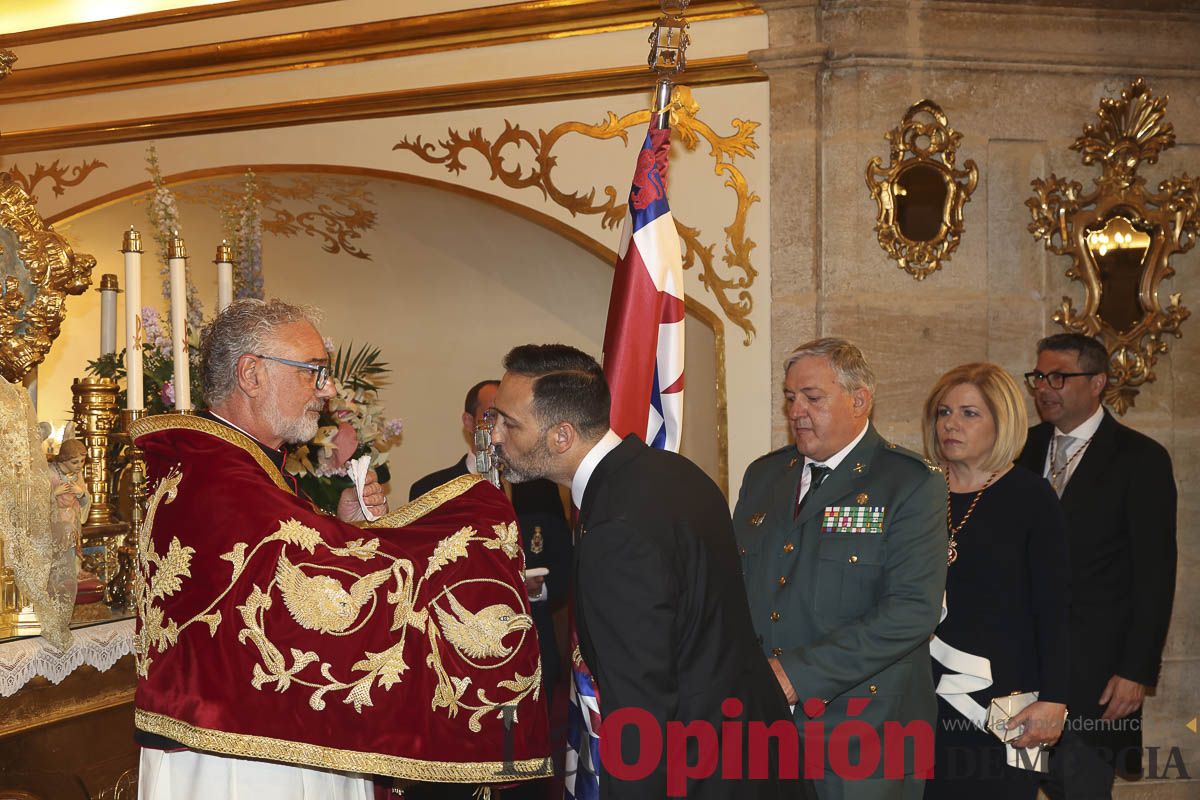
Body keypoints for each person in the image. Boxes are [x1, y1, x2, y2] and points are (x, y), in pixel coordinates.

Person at [132, 299, 550, 800]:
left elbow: (285, 563)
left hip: (265, 736)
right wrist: (467, 523)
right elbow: (300, 602)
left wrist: (344, 527)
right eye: (312, 372)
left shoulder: (240, 465)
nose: (326, 390)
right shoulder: (220, 476)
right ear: (251, 374)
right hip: (239, 760)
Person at [489, 343, 804, 800]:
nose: (496, 435)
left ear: (561, 435)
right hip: (752, 759)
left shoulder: (617, 528)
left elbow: (641, 709)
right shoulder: (673, 473)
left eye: (509, 423)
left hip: (700, 775)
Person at [732, 337, 946, 800]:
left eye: (813, 397)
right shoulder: (765, 476)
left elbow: (912, 611)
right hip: (765, 727)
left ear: (859, 400)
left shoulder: (907, 482)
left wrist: (796, 675)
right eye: (790, 398)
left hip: (865, 731)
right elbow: (737, 588)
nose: (796, 411)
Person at [1016, 333, 1177, 797]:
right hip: (1022, 671)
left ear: (1098, 382)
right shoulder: (1021, 449)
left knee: (1079, 787)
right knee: (1015, 784)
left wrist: (1137, 671)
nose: (1045, 387)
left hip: (1095, 678)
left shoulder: (1140, 458)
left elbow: (1155, 573)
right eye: (1039, 376)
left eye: (1059, 376)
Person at [408, 379, 573, 800]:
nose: (496, 427)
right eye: (488, 416)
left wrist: (532, 590)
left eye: (504, 418)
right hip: (456, 670)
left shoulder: (539, 486)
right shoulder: (432, 490)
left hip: (529, 662)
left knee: (526, 786)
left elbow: (565, 568)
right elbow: (422, 579)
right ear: (468, 423)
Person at [920, 363, 1069, 797]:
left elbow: (1055, 608)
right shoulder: (918, 492)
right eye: (944, 412)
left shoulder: (1032, 497)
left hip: (1013, 703)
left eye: (969, 413)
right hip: (922, 699)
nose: (951, 424)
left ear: (1001, 422)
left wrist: (1055, 700)